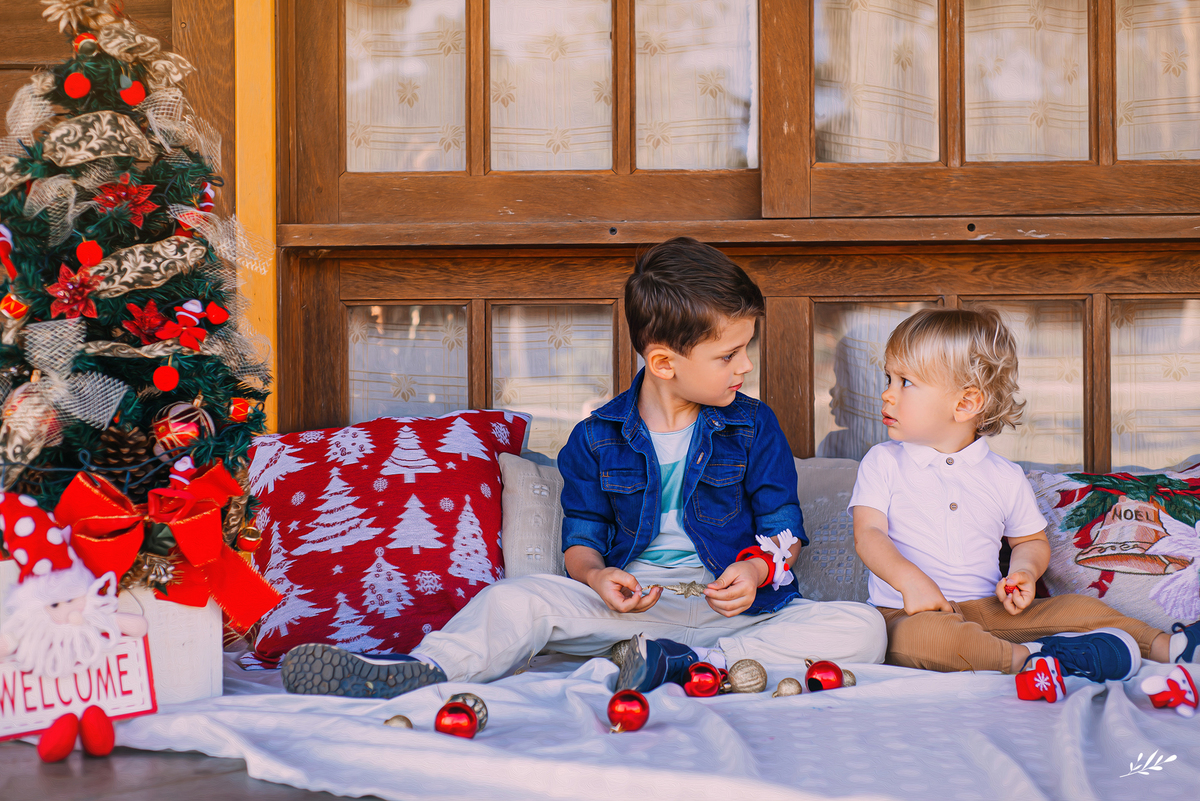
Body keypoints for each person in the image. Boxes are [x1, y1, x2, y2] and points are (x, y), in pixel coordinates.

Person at [280, 236, 886, 698]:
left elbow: (783, 525)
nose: (744, 367)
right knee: (517, 598)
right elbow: (583, 540)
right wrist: (599, 580)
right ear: (664, 361)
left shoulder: (754, 426)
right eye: (728, 354)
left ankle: (697, 665)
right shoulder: (596, 439)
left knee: (862, 628)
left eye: (744, 350)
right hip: (637, 613)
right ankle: (424, 671)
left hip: (740, 616)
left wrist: (755, 571)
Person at [850, 308, 1200, 683]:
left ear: (966, 403)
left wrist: (1024, 572)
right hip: (906, 613)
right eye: (889, 377)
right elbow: (869, 534)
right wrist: (909, 581)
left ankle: (1169, 647)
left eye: (905, 382)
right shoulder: (883, 462)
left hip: (990, 610)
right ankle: (1037, 658)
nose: (886, 393)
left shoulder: (1003, 475)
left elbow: (1030, 540)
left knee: (1078, 608)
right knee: (933, 640)